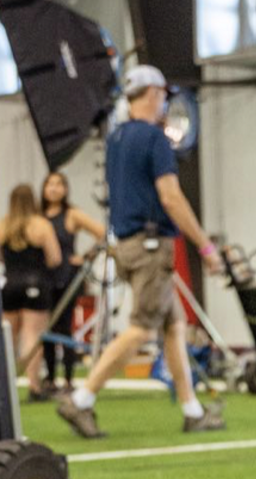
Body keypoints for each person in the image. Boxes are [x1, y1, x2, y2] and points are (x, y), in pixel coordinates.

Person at [56, 64, 225, 438]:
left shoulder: (116, 139)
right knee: (140, 328)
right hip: (150, 247)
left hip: (126, 245)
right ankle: (81, 398)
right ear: (152, 94)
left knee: (174, 325)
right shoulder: (154, 139)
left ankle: (192, 410)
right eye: (163, 94)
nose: (165, 100)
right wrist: (206, 246)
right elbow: (171, 197)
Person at [39, 171, 105, 393]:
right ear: (44, 188)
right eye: (50, 184)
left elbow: (101, 233)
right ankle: (49, 377)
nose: (54, 188)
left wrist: (85, 257)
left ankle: (67, 379)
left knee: (64, 327)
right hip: (42, 278)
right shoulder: (38, 216)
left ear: (65, 189)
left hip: (66, 278)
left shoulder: (72, 214)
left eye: (59, 184)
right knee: (45, 328)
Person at [1, 182, 62, 401]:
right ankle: (34, 386)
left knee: (9, 337)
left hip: (9, 284)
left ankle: (6, 386)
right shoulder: (41, 225)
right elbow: (55, 258)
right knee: (32, 336)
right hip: (35, 282)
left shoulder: (4, 225)